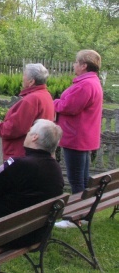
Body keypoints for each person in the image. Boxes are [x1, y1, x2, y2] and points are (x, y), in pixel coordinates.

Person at [54, 50, 103, 195]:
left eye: (76, 62)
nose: (74, 65)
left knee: (76, 180)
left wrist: (55, 102)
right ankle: (84, 210)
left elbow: (69, 107)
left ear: (84, 66)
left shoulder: (85, 85)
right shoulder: (92, 82)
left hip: (76, 137)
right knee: (82, 178)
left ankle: (77, 215)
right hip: (84, 136)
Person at [0, 63, 55, 160]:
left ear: (31, 81)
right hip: (38, 151)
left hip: (21, 153)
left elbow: (16, 128)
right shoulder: (46, 95)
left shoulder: (31, 99)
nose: (22, 78)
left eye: (24, 75)